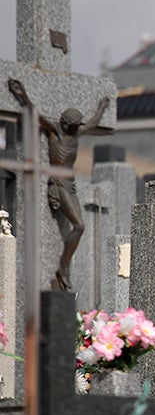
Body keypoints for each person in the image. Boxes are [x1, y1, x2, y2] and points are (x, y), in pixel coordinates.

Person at [8, 78, 111, 291]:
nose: (76, 128)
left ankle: (64, 266)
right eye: (73, 125)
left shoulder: (76, 134)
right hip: (58, 181)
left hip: (71, 183)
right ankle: (64, 266)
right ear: (65, 123)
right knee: (79, 225)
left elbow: (92, 123)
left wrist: (101, 107)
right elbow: (35, 113)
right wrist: (22, 94)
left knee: (79, 226)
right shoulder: (55, 131)